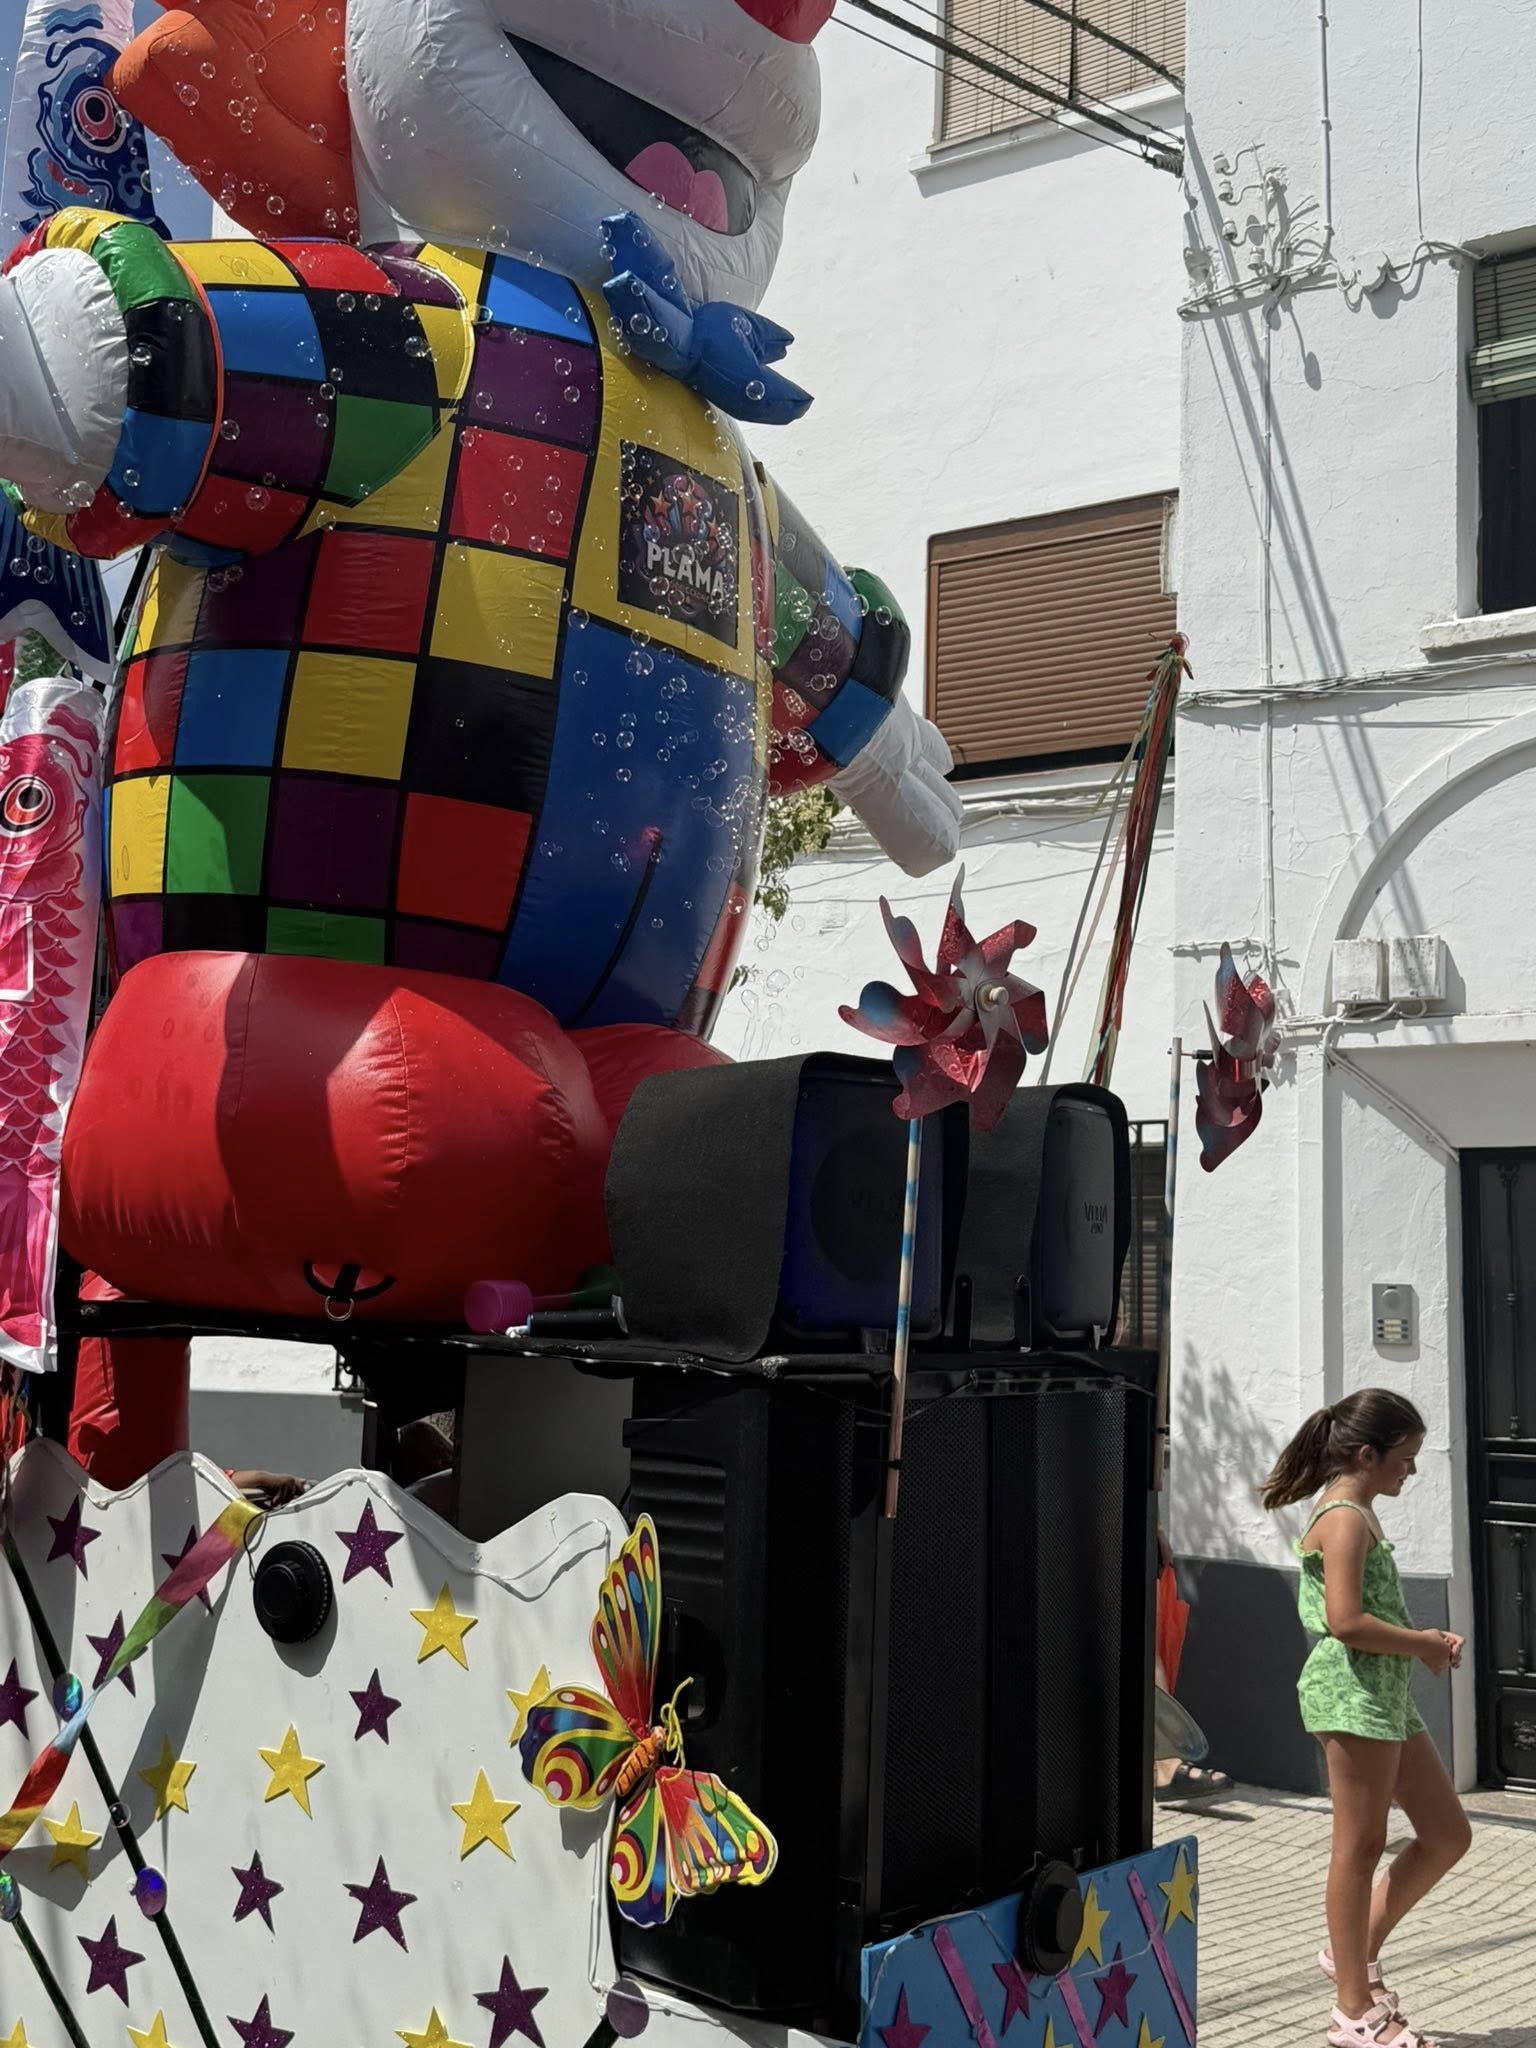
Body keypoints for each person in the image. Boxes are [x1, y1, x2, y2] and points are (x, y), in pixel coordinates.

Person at [1261, 1391, 1471, 2048]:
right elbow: (1345, 1621)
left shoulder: (1363, 1512)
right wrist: (1426, 1643)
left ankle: (1353, 1955)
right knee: (1358, 1850)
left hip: (1383, 1696)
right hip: (1351, 1695)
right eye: (1404, 1459)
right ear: (1366, 1454)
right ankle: (1354, 2011)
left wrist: (1417, 1647)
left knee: (1446, 1833)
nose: (1410, 1471)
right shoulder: (1346, 1516)